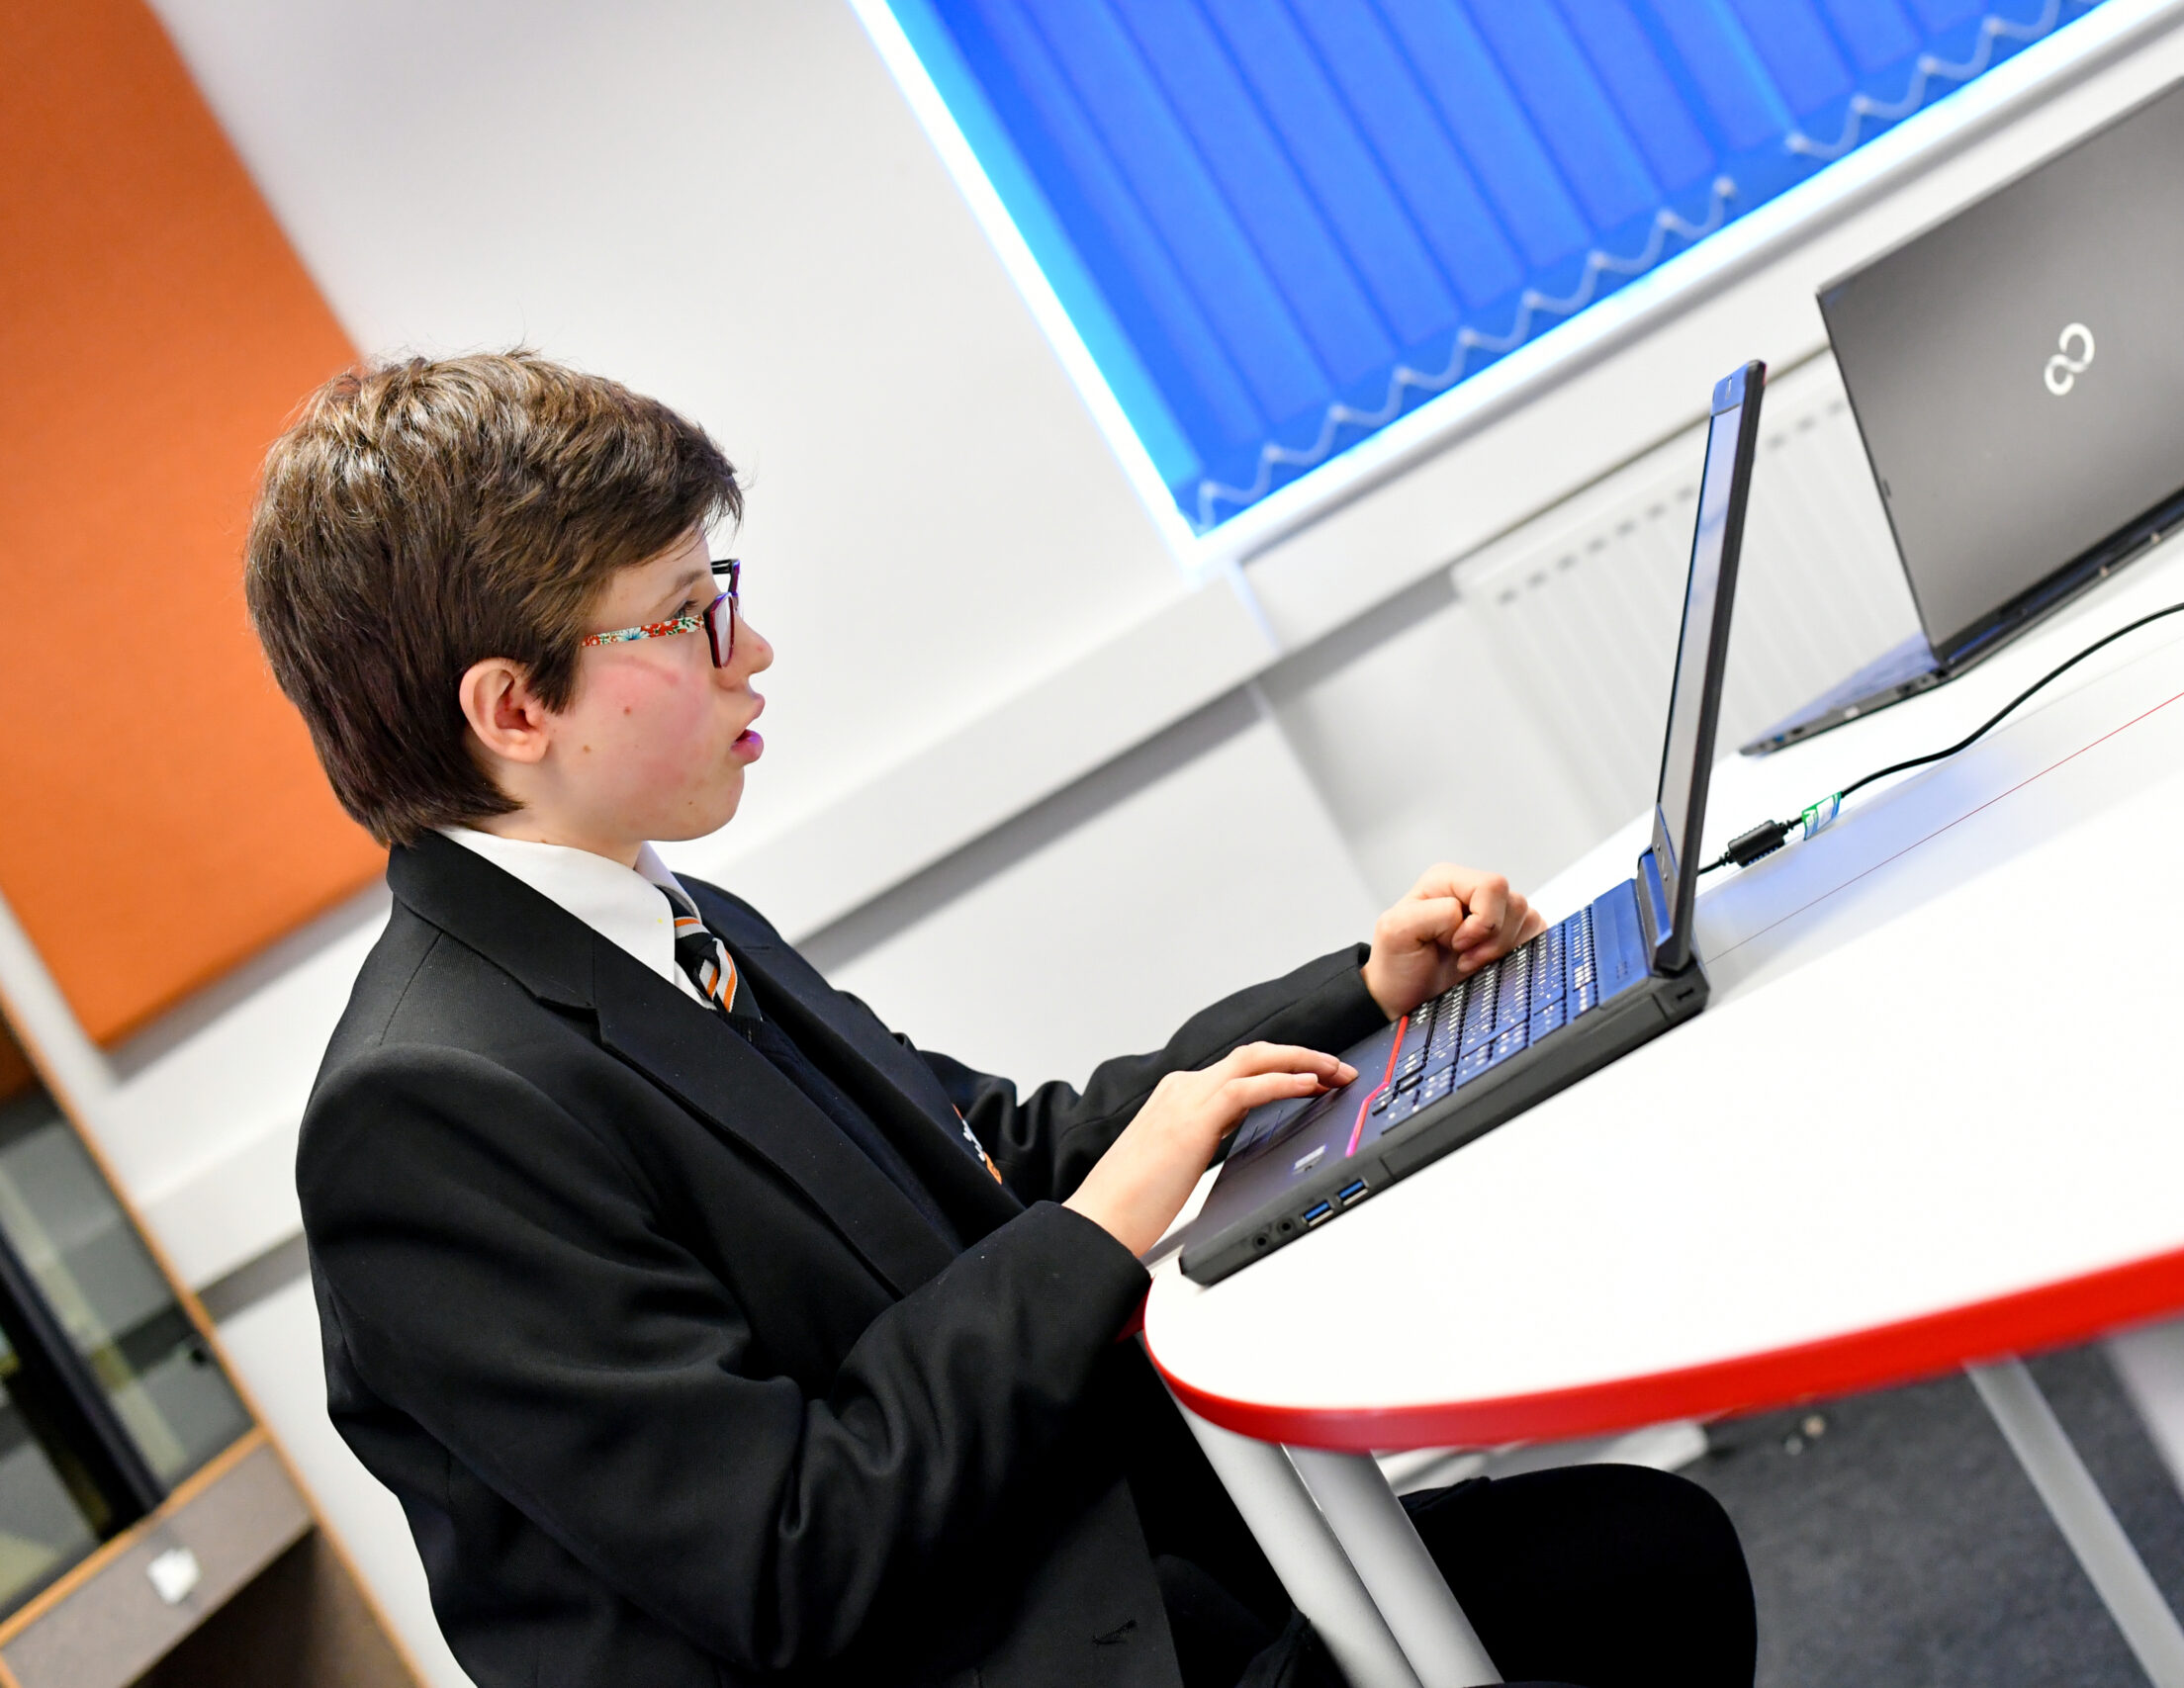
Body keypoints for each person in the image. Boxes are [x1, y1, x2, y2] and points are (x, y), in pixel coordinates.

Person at [246, 352, 1755, 1688]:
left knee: (1641, 1563)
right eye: (692, 617)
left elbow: (989, 1158)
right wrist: (1097, 1231)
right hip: (980, 1636)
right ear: (516, 711)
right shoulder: (425, 1116)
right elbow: (791, 1551)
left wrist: (1358, 991)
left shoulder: (659, 919)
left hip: (1070, 1568)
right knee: (1626, 1587)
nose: (750, 653)